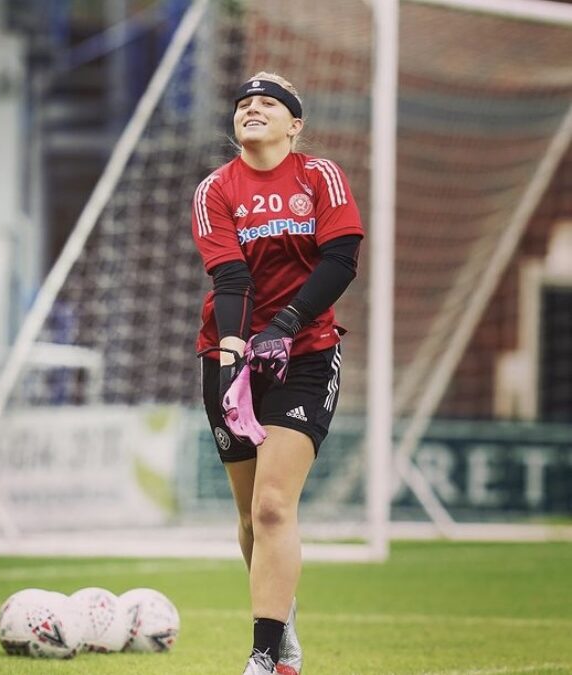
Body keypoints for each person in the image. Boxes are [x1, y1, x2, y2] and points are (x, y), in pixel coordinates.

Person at [191, 72, 364, 675]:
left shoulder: (320, 177)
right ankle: (280, 620)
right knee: (246, 518)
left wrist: (285, 327)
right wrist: (238, 353)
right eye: (244, 104)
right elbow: (231, 279)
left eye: (269, 103)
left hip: (307, 352)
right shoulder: (215, 189)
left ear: (295, 124)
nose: (253, 108)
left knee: (271, 508)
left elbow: (341, 260)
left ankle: (266, 658)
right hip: (231, 355)